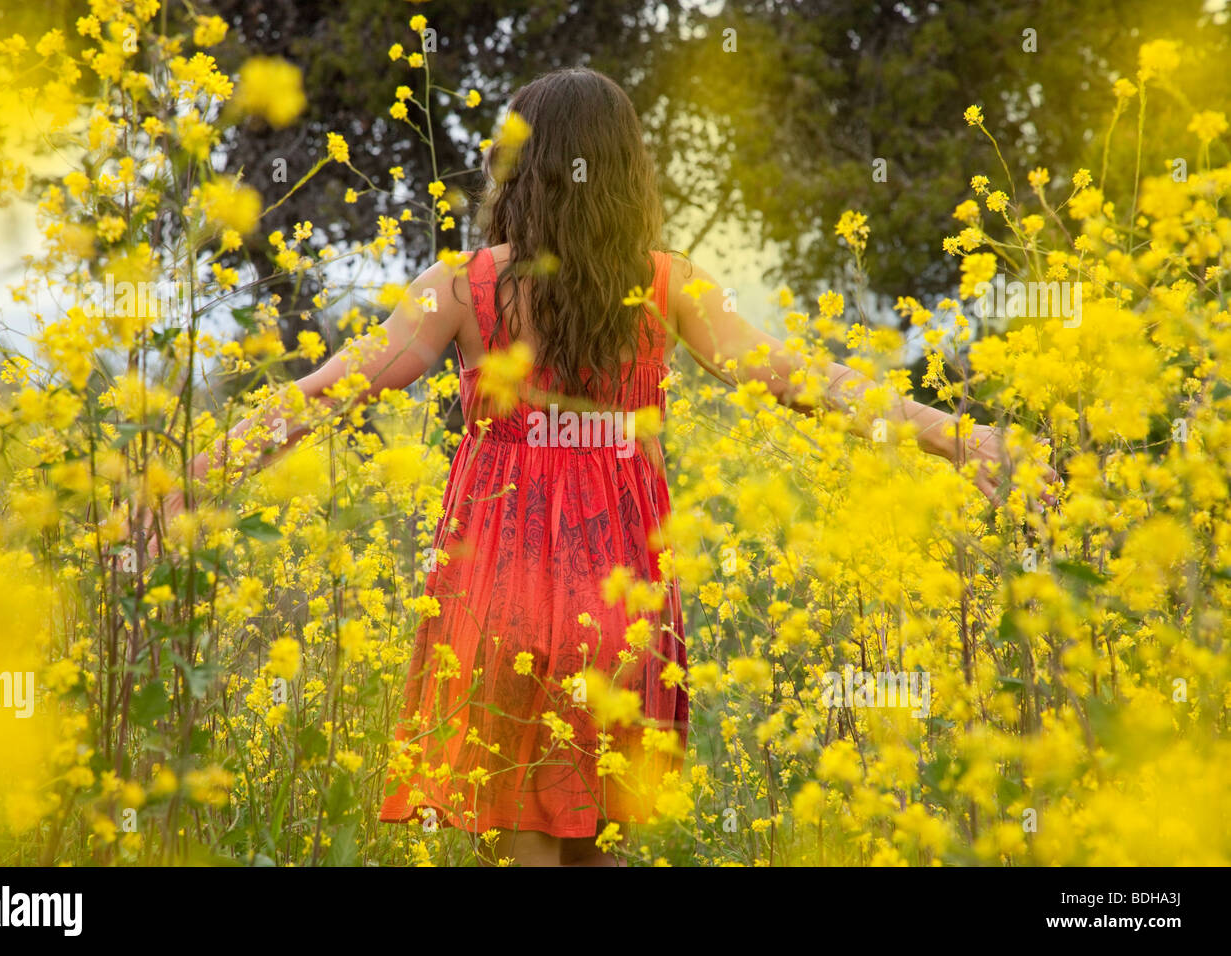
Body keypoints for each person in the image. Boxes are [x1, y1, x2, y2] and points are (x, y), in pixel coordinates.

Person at [148, 68, 1032, 867]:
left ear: (515, 166)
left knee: (520, 831)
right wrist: (954, 434)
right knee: (595, 841)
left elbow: (327, 390)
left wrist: (192, 475)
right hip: (623, 587)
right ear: (626, 170)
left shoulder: (461, 287)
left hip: (503, 575)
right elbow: (802, 379)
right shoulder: (667, 281)